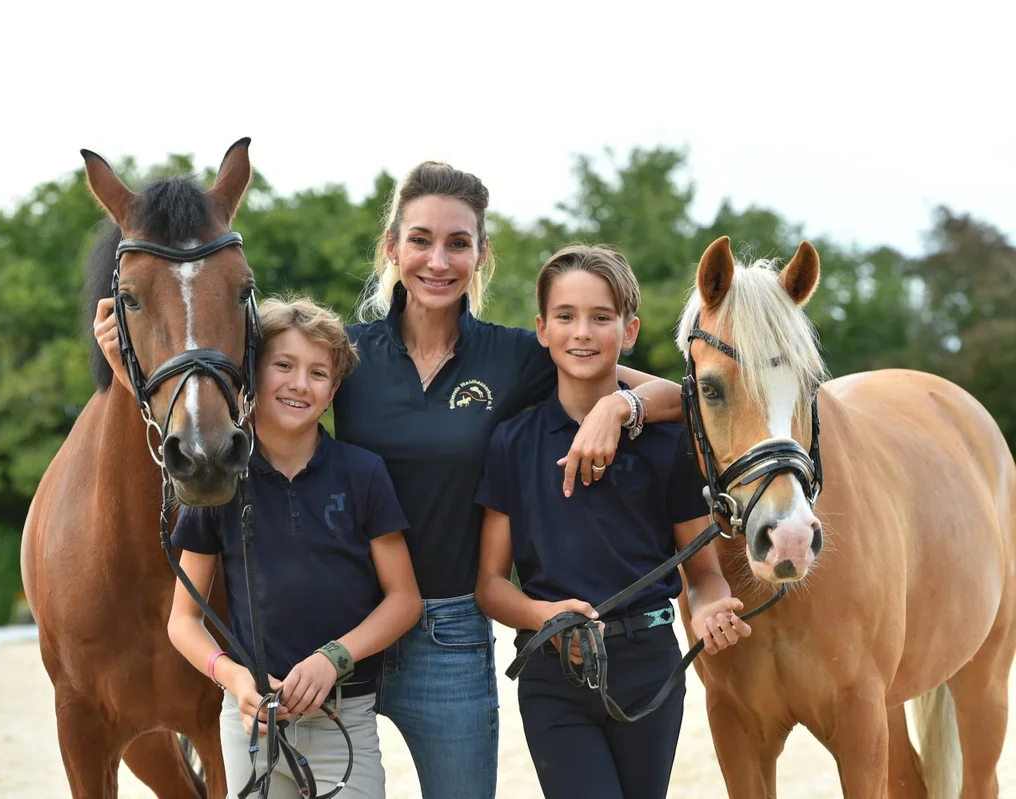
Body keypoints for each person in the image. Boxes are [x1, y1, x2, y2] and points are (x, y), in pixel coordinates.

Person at [95, 160, 686, 798]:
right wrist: (128, 369)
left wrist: (615, 407)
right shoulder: (343, 356)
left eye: (459, 243)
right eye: (421, 240)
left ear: (481, 257)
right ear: (392, 249)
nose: (438, 260)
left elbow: (682, 397)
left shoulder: (516, 356)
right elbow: (226, 408)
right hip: (334, 633)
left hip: (448, 634)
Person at [473, 244, 750, 799]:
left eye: (602, 318)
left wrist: (713, 605)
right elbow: (489, 585)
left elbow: (705, 575)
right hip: (553, 675)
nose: (583, 332)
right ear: (542, 330)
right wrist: (543, 616)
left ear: (629, 332)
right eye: (566, 317)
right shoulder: (512, 442)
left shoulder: (668, 443)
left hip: (651, 667)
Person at [164, 297, 422, 798]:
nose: (300, 383)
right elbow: (182, 619)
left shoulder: (363, 472)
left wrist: (333, 658)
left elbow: (404, 599)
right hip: (249, 726)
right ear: (252, 374)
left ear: (333, 392)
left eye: (318, 373)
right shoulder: (220, 481)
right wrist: (235, 681)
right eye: (283, 365)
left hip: (343, 717)